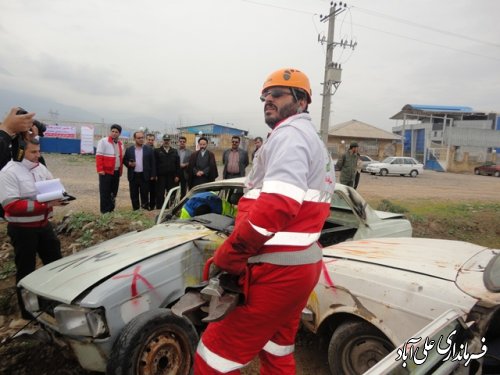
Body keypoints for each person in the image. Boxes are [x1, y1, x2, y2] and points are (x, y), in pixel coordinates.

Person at [194, 68, 335, 374]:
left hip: (275, 271)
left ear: (302, 102)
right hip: (301, 268)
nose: (268, 100)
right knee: (276, 349)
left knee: (213, 358)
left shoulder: (290, 136)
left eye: (278, 95)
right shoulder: (312, 141)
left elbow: (277, 205)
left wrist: (232, 253)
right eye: (265, 96)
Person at [0, 139, 64, 320]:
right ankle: (27, 314)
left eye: (39, 151)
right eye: (33, 152)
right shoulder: (8, 173)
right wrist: (44, 205)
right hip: (22, 230)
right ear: (20, 152)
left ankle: (57, 305)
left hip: (44, 227)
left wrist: (61, 196)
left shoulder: (40, 168)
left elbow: (54, 187)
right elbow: (11, 205)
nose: (38, 156)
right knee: (25, 271)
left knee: (56, 265)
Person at [123, 131, 156, 210]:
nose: (141, 139)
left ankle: (144, 210)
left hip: (144, 176)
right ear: (134, 139)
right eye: (139, 138)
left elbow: (153, 163)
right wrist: (129, 164)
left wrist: (153, 175)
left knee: (144, 194)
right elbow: (124, 160)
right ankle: (136, 210)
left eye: (142, 138)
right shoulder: (129, 150)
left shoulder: (149, 149)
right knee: (134, 194)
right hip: (133, 176)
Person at [96, 124, 124, 214]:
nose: (114, 133)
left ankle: (111, 210)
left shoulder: (120, 143)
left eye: (116, 132)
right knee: (105, 192)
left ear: (119, 133)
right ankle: (104, 212)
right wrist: (100, 169)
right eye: (113, 131)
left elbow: (120, 157)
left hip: (116, 172)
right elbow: (99, 156)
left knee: (113, 192)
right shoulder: (103, 141)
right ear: (110, 132)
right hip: (106, 172)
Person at [155, 135, 180, 209]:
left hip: (171, 177)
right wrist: (155, 174)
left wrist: (177, 175)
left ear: (170, 141)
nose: (166, 141)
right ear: (163, 141)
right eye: (165, 140)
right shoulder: (157, 151)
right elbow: (155, 164)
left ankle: (170, 208)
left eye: (168, 140)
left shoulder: (174, 151)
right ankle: (160, 208)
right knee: (160, 193)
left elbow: (177, 164)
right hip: (160, 176)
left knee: (171, 193)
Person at [145, 133, 157, 210]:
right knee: (145, 192)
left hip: (154, 175)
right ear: (146, 140)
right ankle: (145, 206)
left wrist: (155, 175)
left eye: (152, 140)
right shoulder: (142, 149)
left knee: (153, 192)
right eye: (149, 140)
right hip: (145, 175)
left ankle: (152, 206)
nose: (150, 141)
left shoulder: (156, 150)